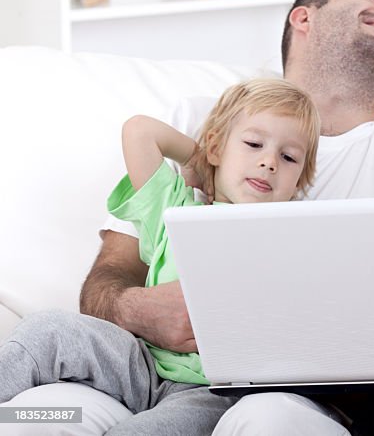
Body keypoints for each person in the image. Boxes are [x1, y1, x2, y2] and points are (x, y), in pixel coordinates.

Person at [0, 0, 374, 435]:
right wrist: (139, 307)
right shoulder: (203, 122)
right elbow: (112, 272)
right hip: (135, 364)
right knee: (34, 409)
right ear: (304, 18)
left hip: (245, 396)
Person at [0, 78, 321, 434]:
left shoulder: (292, 238)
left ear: (298, 183)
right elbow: (139, 131)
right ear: (217, 148)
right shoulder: (176, 208)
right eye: (253, 144)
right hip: (140, 363)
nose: (268, 162)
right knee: (49, 329)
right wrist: (201, 158)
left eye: (288, 157)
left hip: (210, 391)